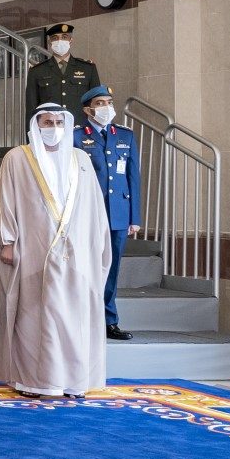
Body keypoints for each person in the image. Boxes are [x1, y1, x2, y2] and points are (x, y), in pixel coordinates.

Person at [0, 104, 112, 399]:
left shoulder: (80, 158)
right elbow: (4, 201)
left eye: (59, 121)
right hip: (32, 247)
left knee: (74, 316)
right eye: (47, 121)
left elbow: (94, 208)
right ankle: (33, 382)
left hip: (76, 251)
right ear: (37, 124)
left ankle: (73, 381)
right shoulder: (17, 159)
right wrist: (8, 241)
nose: (54, 126)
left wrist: (97, 245)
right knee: (34, 315)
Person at [76, 86, 141, 340]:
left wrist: (134, 217)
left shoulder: (125, 135)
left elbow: (133, 177)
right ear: (87, 109)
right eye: (100, 103)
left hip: (118, 213)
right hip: (88, 213)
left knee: (111, 268)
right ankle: (83, 317)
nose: (106, 107)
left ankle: (108, 320)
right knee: (86, 266)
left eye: (109, 102)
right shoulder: (77, 137)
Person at [25, 23, 101, 117]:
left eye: (64, 37)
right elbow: (31, 108)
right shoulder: (37, 71)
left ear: (70, 40)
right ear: (50, 42)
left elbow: (97, 102)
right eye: (55, 38)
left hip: (80, 128)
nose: (59, 41)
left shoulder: (88, 68)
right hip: (51, 128)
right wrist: (31, 131)